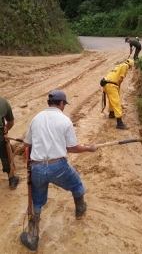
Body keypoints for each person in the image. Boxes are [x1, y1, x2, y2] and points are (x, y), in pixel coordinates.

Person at [20, 89, 98, 252]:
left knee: (36, 201)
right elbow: (72, 148)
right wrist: (89, 149)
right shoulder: (65, 121)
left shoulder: (36, 118)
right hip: (58, 167)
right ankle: (80, 210)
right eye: (64, 104)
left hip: (38, 168)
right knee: (77, 185)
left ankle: (33, 238)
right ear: (61, 103)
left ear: (50, 103)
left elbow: (26, 146)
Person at [102, 58, 134, 129]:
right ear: (130, 66)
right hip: (112, 85)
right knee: (116, 102)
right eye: (131, 67)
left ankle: (111, 113)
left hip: (106, 84)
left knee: (111, 100)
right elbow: (120, 79)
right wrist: (118, 88)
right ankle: (120, 123)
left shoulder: (118, 66)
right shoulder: (125, 66)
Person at [0, 96, 20, 189]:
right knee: (7, 152)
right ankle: (12, 178)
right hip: (0, 137)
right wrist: (5, 131)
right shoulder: (3, 102)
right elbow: (10, 122)